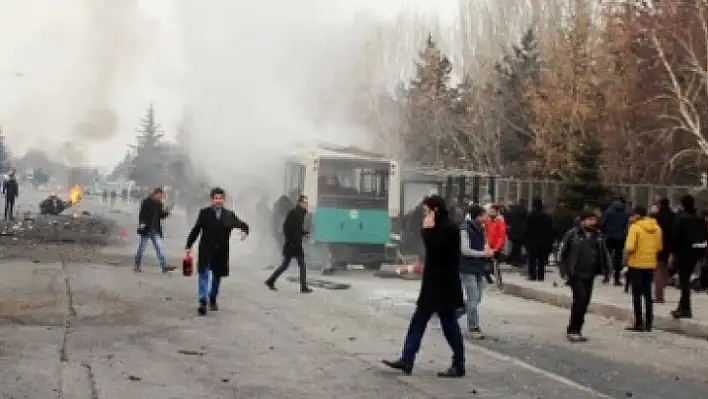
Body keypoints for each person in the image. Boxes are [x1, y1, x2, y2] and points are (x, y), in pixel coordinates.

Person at [383, 195, 465, 378]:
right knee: (417, 322)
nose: (424, 215)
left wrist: (427, 231)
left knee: (450, 326)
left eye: (427, 211)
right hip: (432, 286)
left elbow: (437, 251)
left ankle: (459, 363)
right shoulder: (437, 227)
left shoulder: (450, 228)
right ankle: (407, 359)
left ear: (435, 210)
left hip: (444, 286)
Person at [185, 187, 250, 316]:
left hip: (221, 250)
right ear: (211, 199)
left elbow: (243, 224)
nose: (218, 201)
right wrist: (189, 245)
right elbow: (196, 229)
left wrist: (245, 232)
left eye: (220, 198)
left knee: (217, 276)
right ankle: (202, 300)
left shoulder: (229, 215)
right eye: (216, 198)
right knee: (203, 273)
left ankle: (212, 297)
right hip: (206, 248)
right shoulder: (204, 213)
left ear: (224, 200)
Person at [558, 209, 611, 342]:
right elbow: (562, 253)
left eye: (594, 220)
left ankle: (576, 328)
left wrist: (606, 271)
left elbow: (604, 254)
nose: (593, 222)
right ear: (582, 221)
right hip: (575, 274)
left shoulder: (598, 236)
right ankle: (574, 330)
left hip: (590, 274)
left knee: (584, 301)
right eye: (590, 220)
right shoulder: (572, 234)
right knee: (580, 300)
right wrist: (564, 271)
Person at [624, 206, 662, 332]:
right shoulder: (657, 228)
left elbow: (629, 247)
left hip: (636, 264)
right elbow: (659, 247)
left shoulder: (635, 228)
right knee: (647, 294)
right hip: (650, 264)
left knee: (636, 295)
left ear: (637, 215)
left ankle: (639, 322)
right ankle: (649, 323)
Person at [265, 195, 312, 293]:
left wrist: (304, 233)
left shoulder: (301, 213)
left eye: (307, 203)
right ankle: (303, 287)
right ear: (300, 203)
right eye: (304, 203)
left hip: (294, 243)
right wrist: (292, 239)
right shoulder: (295, 213)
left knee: (286, 265)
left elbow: (296, 229)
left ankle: (270, 280)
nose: (306, 204)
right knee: (301, 264)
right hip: (292, 244)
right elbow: (287, 227)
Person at [459, 205, 493, 339]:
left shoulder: (480, 229)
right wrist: (483, 254)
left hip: (478, 268)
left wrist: (487, 250)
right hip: (466, 268)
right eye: (484, 215)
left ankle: (451, 313)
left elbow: (484, 243)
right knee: (473, 298)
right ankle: (474, 327)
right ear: (477, 216)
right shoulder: (464, 229)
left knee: (477, 298)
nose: (486, 218)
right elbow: (465, 250)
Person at [670, 195, 705, 319]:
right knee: (685, 279)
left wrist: (673, 251)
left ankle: (685, 308)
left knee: (684, 281)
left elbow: (675, 235)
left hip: (683, 252)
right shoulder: (698, 218)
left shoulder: (681, 218)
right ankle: (682, 307)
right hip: (695, 251)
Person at [135, 187, 175, 273]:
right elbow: (141, 214)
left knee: (159, 248)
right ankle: (137, 265)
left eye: (161, 196)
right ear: (155, 194)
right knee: (141, 248)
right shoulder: (146, 202)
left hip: (155, 229)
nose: (160, 198)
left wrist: (167, 211)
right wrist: (141, 223)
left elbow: (161, 216)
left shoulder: (159, 204)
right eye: (159, 196)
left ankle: (164, 266)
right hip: (146, 229)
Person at [524, 198, 555, 281]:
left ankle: (532, 275)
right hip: (543, 242)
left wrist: (526, 241)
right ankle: (541, 276)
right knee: (541, 260)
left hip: (532, 242)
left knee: (532, 259)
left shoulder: (530, 216)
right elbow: (551, 230)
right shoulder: (547, 217)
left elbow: (526, 230)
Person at [600, 198, 630, 285]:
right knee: (618, 258)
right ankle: (616, 279)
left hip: (609, 237)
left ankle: (606, 276)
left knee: (607, 257)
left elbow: (602, 224)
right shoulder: (625, 213)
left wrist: (606, 232)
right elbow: (627, 225)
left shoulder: (608, 212)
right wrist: (623, 233)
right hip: (620, 238)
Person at [651, 198, 675, 303]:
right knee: (664, 267)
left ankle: (659, 296)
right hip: (669, 246)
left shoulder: (657, 217)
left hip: (658, 245)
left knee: (658, 270)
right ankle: (663, 286)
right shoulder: (673, 216)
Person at [483, 205, 507, 284]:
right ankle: (494, 281)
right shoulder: (488, 221)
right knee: (488, 265)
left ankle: (498, 282)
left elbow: (501, 236)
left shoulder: (500, 222)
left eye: (493, 212)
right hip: (489, 246)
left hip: (496, 247)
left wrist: (497, 248)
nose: (490, 213)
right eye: (490, 211)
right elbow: (486, 232)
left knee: (493, 265)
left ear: (497, 212)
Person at [505, 199, 528, 266]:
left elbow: (508, 220)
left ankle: (513, 259)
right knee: (518, 246)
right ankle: (516, 260)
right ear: (523, 203)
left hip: (512, 231)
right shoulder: (524, 210)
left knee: (515, 246)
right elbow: (526, 221)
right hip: (520, 232)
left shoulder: (512, 210)